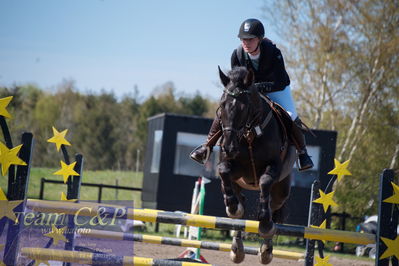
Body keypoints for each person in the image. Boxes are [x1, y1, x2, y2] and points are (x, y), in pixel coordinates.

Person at [190, 18, 313, 171]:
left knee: (290, 114)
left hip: (277, 89)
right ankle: (206, 147)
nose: (246, 43)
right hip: (249, 91)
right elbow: (236, 82)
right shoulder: (237, 55)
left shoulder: (273, 52)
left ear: (259, 39)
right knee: (226, 111)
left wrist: (260, 86)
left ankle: (303, 154)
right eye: (243, 39)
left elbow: (281, 81)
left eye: (250, 39)